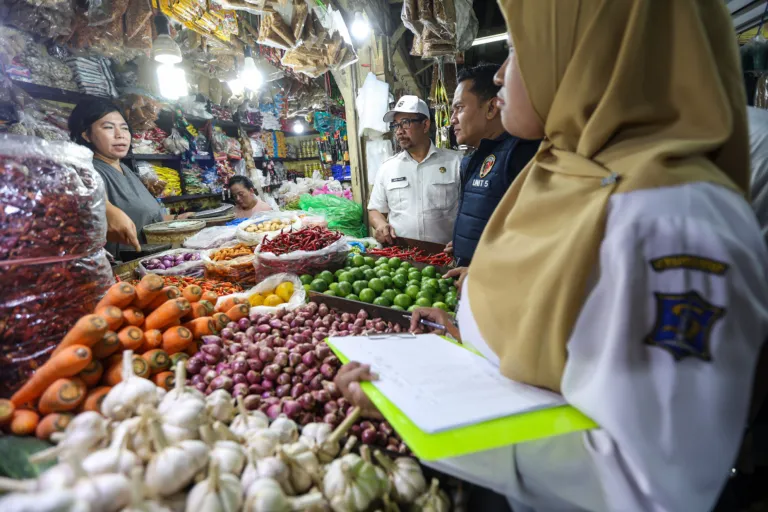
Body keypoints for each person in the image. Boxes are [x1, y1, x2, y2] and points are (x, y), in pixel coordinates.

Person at [335, 1, 768, 511]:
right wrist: (472, 341)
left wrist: (417, 415)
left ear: (589, 56)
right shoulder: (567, 171)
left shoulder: (675, 222)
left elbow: (650, 483)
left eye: (517, 50)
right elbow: (568, 347)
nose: (500, 74)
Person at [445, 64, 540, 288]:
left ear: (491, 108)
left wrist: (486, 269)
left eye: (459, 108)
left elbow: (535, 235)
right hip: (473, 286)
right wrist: (463, 241)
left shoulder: (521, 155)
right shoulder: (471, 160)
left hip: (502, 287)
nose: (452, 120)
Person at [68, 98, 190, 258]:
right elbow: (92, 202)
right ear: (86, 135)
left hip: (153, 259)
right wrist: (106, 209)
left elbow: (144, 218)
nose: (120, 135)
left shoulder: (126, 169)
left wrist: (177, 219)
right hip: (123, 266)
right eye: (108, 127)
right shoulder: (87, 171)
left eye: (124, 128)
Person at [367, 95, 462, 245]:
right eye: (396, 125)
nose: (399, 131)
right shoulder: (387, 168)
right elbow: (375, 210)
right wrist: (380, 224)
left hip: (444, 253)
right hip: (401, 255)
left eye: (405, 123)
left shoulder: (456, 163)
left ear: (425, 125)